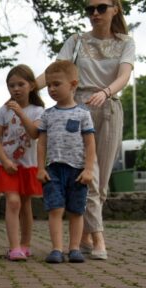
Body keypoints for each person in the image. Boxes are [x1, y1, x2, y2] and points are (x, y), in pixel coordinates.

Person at [35, 0, 134, 260]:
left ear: (115, 9)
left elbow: (124, 76)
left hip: (109, 107)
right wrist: (27, 89)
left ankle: (87, 235)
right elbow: (55, 72)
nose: (95, 13)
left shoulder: (126, 42)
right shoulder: (76, 40)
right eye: (89, 9)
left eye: (101, 7)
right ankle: (99, 239)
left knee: (101, 181)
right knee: (87, 173)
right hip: (78, 110)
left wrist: (106, 92)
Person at [37, 60, 96, 264]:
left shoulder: (83, 114)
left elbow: (90, 144)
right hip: (53, 169)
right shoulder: (47, 115)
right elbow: (42, 144)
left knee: (76, 210)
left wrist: (89, 169)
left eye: (56, 84)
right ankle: (56, 249)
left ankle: (74, 248)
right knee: (55, 208)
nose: (51, 89)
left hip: (78, 171)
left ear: (72, 84)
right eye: (49, 85)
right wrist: (40, 167)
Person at [0, 64, 45, 261]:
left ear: (31, 85)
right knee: (13, 202)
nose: (16, 89)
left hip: (28, 165)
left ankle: (25, 245)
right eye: (11, 85)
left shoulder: (38, 111)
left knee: (26, 205)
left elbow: (35, 133)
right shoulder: (3, 111)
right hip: (8, 166)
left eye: (20, 84)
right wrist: (4, 160)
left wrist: (21, 114)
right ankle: (14, 248)